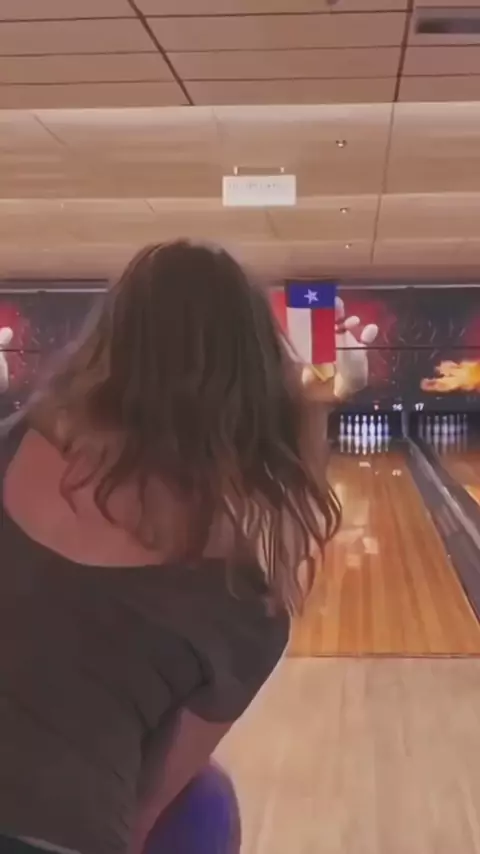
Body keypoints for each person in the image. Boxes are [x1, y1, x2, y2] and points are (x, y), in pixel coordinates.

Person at [0, 241, 341, 854]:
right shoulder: (245, 607)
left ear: (106, 345)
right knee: (204, 803)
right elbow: (148, 810)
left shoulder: (9, 446)